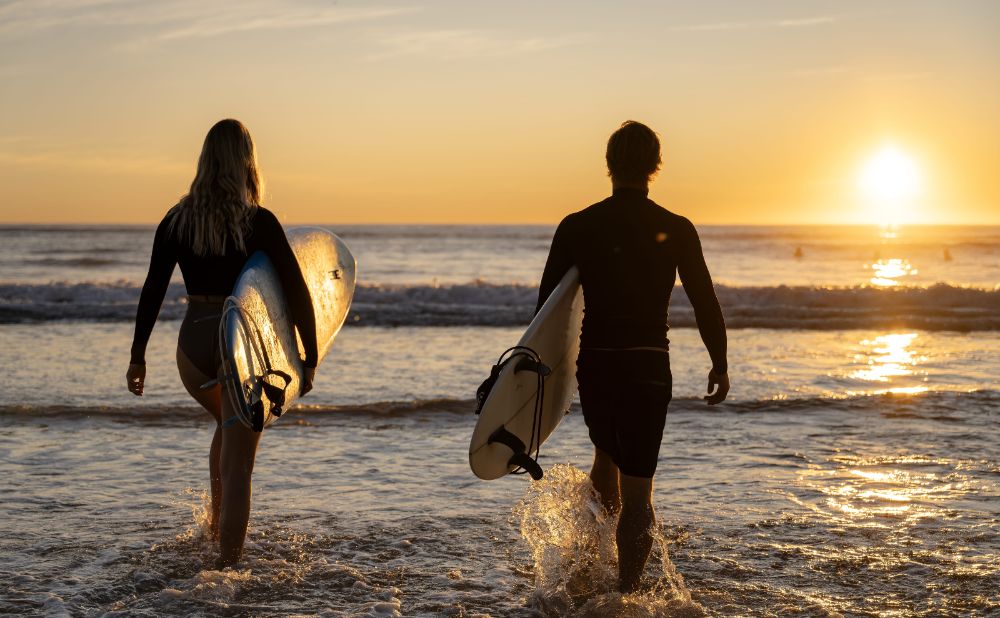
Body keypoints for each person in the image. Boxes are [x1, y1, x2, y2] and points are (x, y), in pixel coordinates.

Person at [536, 120, 729, 593]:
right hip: (647, 366)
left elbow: (546, 311)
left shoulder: (578, 225)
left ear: (609, 164)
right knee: (639, 489)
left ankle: (594, 557)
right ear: (654, 166)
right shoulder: (676, 228)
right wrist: (719, 362)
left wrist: (540, 376)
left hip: (597, 365)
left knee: (605, 454)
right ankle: (625, 594)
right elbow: (705, 300)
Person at [125, 119, 318, 568]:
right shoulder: (260, 222)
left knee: (228, 429)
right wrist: (307, 357)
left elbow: (153, 288)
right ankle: (227, 572)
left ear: (205, 161)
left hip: (192, 344)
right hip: (239, 345)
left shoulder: (176, 220)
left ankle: (215, 532)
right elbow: (295, 290)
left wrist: (138, 357)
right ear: (247, 162)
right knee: (240, 465)